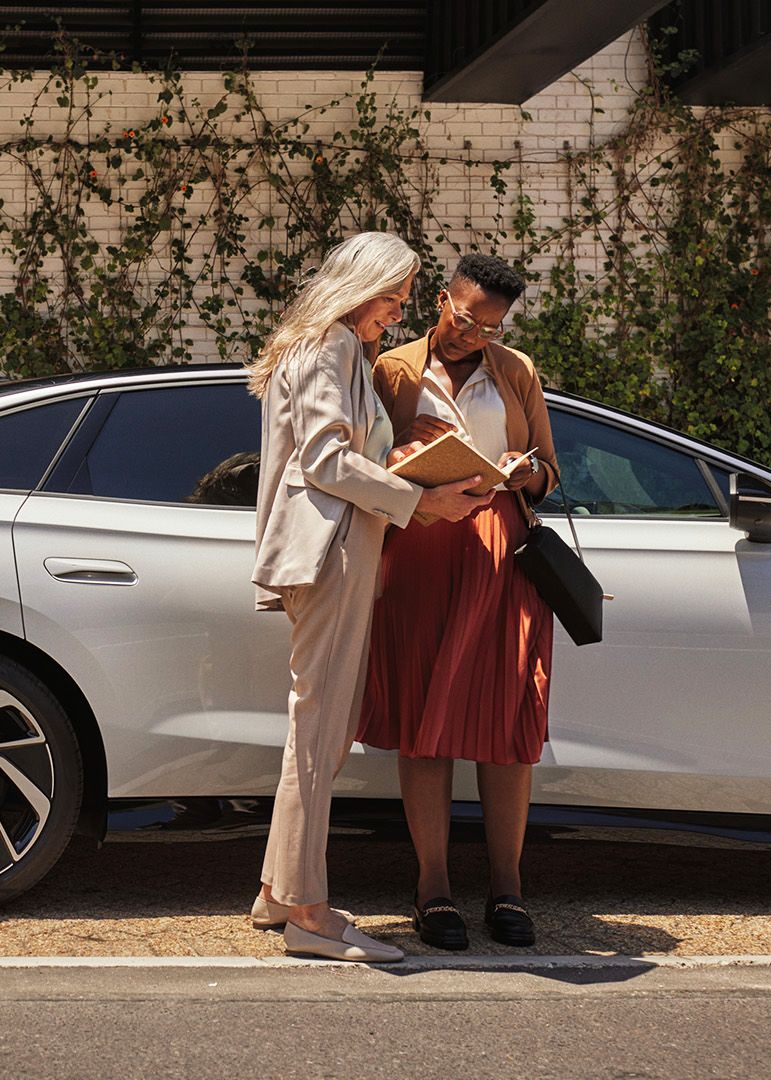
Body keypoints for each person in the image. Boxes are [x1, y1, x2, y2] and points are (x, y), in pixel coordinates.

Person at [248, 232, 492, 963]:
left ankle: (278, 891)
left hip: (329, 551)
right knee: (320, 730)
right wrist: (416, 503)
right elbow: (324, 459)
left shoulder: (324, 345)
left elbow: (332, 454)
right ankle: (309, 914)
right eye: (393, 292)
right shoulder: (328, 346)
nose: (400, 307)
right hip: (331, 554)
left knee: (315, 726)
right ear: (361, 285)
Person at [358, 253, 560, 950]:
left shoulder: (517, 372)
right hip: (419, 547)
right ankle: (433, 887)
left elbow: (547, 471)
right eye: (465, 317)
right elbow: (358, 460)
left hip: (501, 553)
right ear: (443, 299)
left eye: (491, 329)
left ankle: (508, 887)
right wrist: (402, 452)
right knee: (424, 721)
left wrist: (525, 470)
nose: (473, 336)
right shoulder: (392, 370)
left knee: (507, 725)